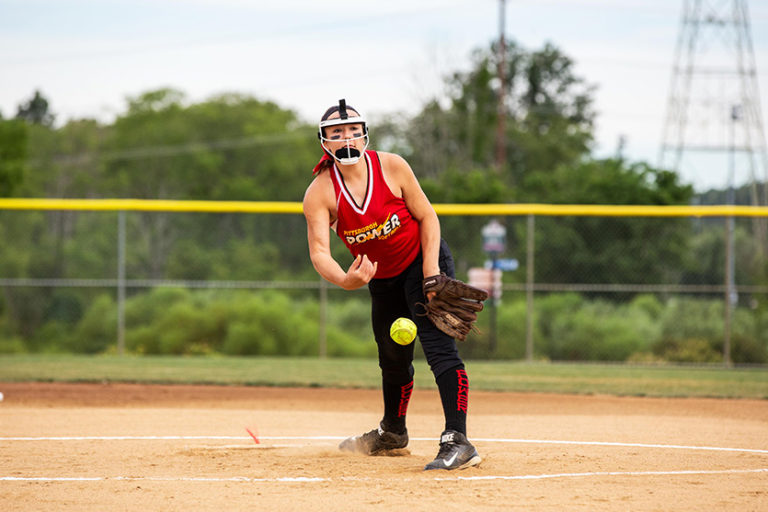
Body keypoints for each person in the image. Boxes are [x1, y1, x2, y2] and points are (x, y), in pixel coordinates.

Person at [302, 99, 481, 471]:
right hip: (381, 277)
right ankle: (393, 433)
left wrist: (433, 272)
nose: (346, 137)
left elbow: (427, 216)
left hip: (423, 263)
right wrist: (345, 279)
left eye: (353, 130)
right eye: (337, 133)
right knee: (392, 359)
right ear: (325, 142)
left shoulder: (392, 166)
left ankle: (458, 440)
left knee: (438, 349)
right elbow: (320, 251)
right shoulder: (320, 191)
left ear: (365, 134)